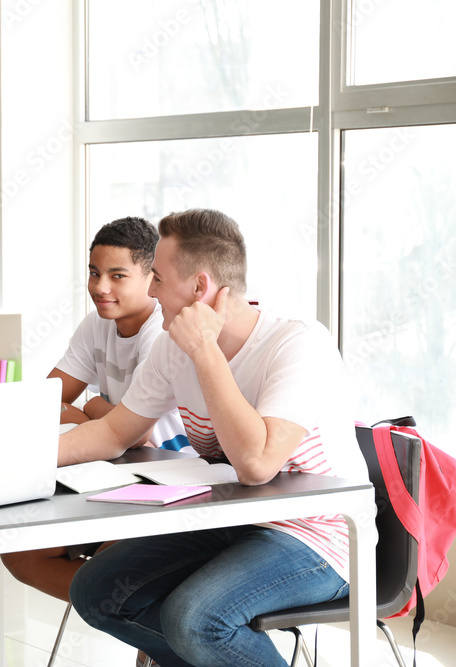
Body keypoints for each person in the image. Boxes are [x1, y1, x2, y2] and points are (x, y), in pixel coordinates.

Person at [63, 209, 368, 666]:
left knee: (195, 618)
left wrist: (205, 351)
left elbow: (257, 463)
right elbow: (111, 433)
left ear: (200, 288)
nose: (149, 292)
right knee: (96, 592)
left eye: (159, 280)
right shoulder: (171, 347)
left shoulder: (299, 344)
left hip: (319, 534)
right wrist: (5, 462)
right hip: (233, 520)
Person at [1, 217, 186, 606]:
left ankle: (136, 615)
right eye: (94, 273)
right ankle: (139, 613)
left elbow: (136, 435)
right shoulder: (96, 325)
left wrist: (88, 408)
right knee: (19, 552)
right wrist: (101, 413)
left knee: (110, 570)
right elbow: (44, 402)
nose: (100, 287)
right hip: (114, 474)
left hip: (167, 482)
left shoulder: (161, 331)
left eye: (118, 276)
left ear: (152, 279)